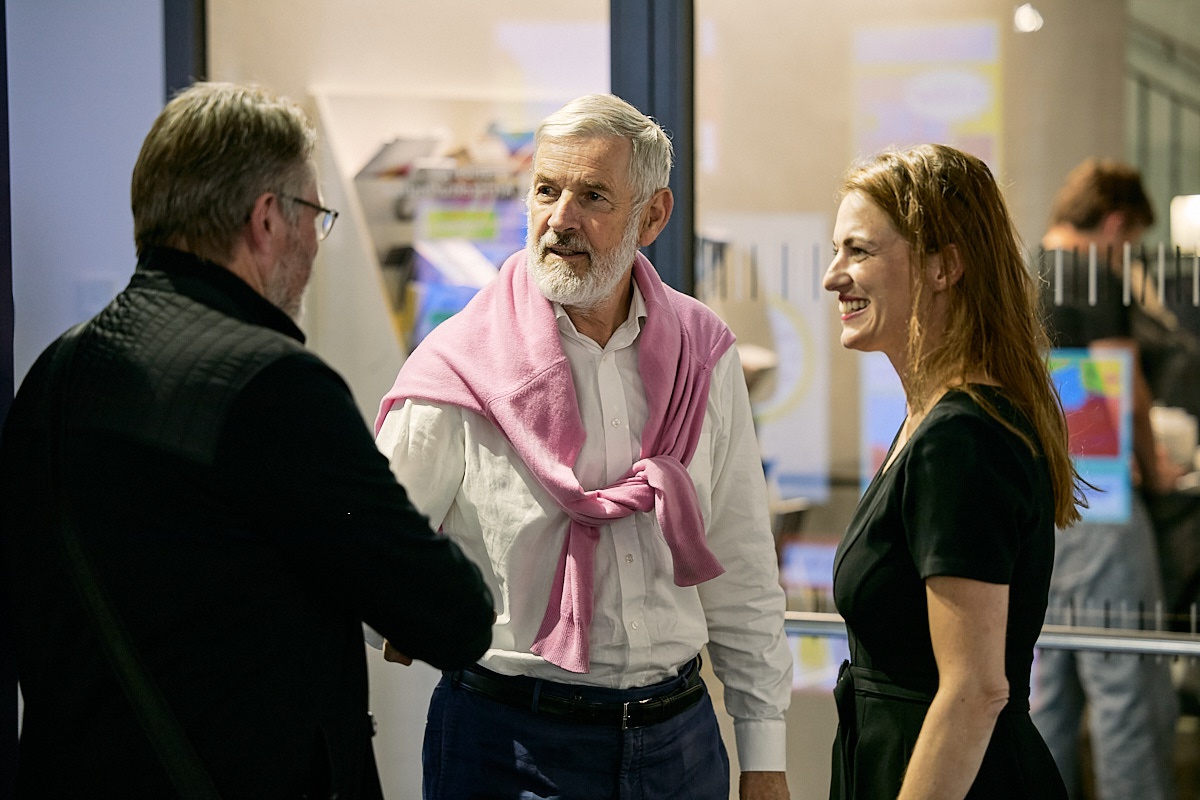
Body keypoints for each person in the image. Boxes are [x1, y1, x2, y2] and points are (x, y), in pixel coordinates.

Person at [0, 82, 494, 799]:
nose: (314, 245)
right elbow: (452, 616)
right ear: (267, 219)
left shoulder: (57, 369)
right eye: (316, 217)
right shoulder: (272, 386)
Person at [375, 93, 793, 800]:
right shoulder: (457, 366)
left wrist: (765, 753)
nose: (560, 219)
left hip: (680, 745)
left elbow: (742, 564)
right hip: (506, 747)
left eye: (592, 196)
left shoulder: (703, 355)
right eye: (546, 190)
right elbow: (369, 549)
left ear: (652, 216)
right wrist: (404, 619)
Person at [823, 144, 1078, 798]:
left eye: (858, 251)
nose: (833, 276)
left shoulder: (961, 437)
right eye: (836, 250)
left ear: (944, 266)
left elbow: (974, 690)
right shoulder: (934, 421)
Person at [1031, 158, 1180, 800]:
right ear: (1116, 224)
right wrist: (1159, 464)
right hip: (1099, 496)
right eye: (1132, 242)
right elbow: (1124, 390)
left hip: (1040, 502)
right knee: (1128, 693)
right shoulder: (1093, 273)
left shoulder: (1023, 270)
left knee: (1047, 697)